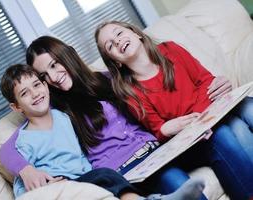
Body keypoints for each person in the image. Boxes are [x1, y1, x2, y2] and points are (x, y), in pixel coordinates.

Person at [95, 20, 253, 199]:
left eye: (119, 33)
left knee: (249, 108)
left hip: (211, 115)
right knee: (224, 133)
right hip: (189, 143)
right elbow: (160, 130)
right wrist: (186, 123)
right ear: (116, 62)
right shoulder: (129, 92)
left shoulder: (171, 50)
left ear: (136, 33)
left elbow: (206, 81)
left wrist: (197, 117)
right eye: (110, 46)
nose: (117, 41)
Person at [0, 63, 204, 200]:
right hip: (58, 191)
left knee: (105, 179)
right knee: (105, 175)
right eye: (25, 93)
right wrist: (39, 183)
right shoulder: (23, 140)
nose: (35, 94)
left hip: (87, 185)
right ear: (16, 107)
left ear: (45, 85)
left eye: (37, 85)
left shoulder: (63, 115)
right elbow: (20, 183)